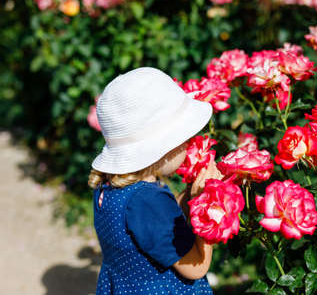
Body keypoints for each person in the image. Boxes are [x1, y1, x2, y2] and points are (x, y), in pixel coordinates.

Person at [87, 67, 221, 294]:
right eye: (184, 137)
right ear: (164, 148)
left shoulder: (108, 187)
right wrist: (205, 206)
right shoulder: (148, 200)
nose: (189, 143)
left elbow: (161, 224)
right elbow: (196, 267)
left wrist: (190, 193)